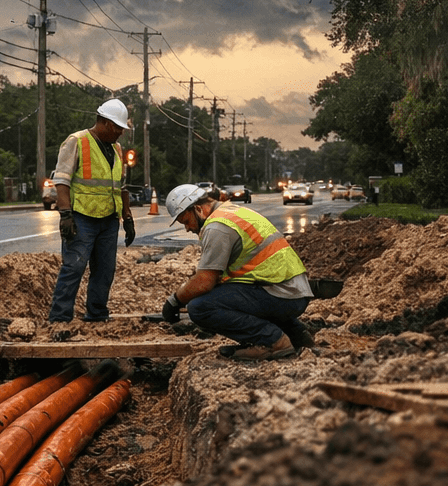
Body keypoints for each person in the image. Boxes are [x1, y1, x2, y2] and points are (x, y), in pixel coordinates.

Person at [159, 183, 314, 361]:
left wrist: (174, 301)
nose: (187, 228)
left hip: (283, 294)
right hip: (293, 291)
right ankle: (295, 334)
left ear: (198, 209)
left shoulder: (217, 227)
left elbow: (204, 281)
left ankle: (272, 342)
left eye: (186, 221)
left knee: (200, 307)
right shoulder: (232, 212)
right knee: (227, 294)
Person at [46, 98, 136, 322]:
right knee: (74, 267)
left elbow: (121, 186)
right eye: (117, 128)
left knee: (105, 270)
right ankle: (59, 319)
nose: (120, 134)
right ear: (105, 122)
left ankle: (97, 314)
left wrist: (127, 216)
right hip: (82, 218)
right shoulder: (77, 141)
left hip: (108, 219)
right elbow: (62, 181)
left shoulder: (116, 148)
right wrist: (65, 214)